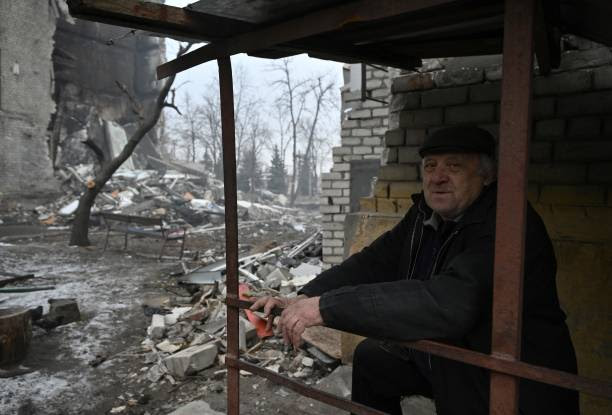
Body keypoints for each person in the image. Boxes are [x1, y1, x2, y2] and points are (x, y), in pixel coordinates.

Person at [251, 125, 579, 415]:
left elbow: (448, 303)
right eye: (430, 166)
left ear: (486, 175)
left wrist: (326, 308)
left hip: (504, 371)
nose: (437, 177)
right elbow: (371, 263)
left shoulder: (506, 222)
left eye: (454, 166)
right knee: (373, 359)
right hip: (449, 355)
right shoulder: (424, 214)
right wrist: (304, 296)